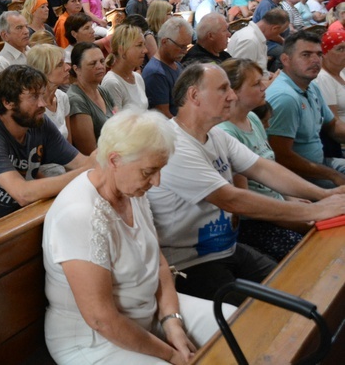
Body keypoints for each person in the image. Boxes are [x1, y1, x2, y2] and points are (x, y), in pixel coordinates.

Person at [147, 63, 345, 306]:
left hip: (227, 248)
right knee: (271, 313)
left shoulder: (216, 134)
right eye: (223, 89)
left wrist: (324, 194)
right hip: (191, 263)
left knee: (298, 288)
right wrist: (315, 210)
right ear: (194, 96)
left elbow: (262, 168)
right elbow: (231, 198)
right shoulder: (174, 145)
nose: (232, 96)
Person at [43, 109, 230, 365]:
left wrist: (172, 322)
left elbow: (159, 264)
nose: (157, 181)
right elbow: (101, 319)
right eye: (148, 171)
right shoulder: (79, 215)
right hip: (95, 340)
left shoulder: (132, 190)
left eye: (160, 170)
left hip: (149, 311)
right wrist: (171, 354)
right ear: (115, 160)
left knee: (239, 326)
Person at [0, 64, 91, 230]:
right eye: (33, 97)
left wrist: (98, 162)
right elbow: (23, 194)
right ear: (7, 102)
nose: (43, 103)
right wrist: (88, 171)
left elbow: (81, 163)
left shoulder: (39, 123)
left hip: (21, 222)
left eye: (42, 95)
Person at [217, 58, 307, 261]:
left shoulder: (254, 119)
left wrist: (291, 198)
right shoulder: (226, 133)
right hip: (257, 221)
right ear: (235, 92)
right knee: (310, 251)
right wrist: (293, 213)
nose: (264, 86)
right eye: (256, 84)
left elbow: (271, 168)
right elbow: (245, 200)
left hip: (278, 207)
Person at [266, 30, 345, 188]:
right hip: (298, 178)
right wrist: (332, 174)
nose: (315, 60)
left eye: (319, 54)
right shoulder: (286, 97)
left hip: (320, 164)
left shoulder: (311, 87)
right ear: (285, 60)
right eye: (306, 55)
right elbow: (281, 157)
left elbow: (332, 126)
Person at [26, 45, 72, 176]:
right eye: (59, 64)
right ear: (43, 72)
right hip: (41, 176)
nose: (67, 67)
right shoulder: (32, 108)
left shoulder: (62, 97)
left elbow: (69, 146)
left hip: (64, 171)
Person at [68, 42, 116, 155]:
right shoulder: (76, 100)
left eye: (102, 61)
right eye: (92, 63)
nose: (100, 66)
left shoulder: (102, 90)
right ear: (76, 69)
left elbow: (120, 124)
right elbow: (89, 151)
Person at [143, 17, 193, 118]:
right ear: (164, 42)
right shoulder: (156, 73)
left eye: (186, 47)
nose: (185, 51)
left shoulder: (176, 64)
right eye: (181, 47)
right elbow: (163, 116)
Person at [227, 8, 289, 77]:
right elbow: (242, 77)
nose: (278, 35)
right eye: (279, 32)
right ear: (275, 28)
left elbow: (260, 71)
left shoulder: (255, 37)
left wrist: (272, 76)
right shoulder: (250, 40)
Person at [101, 24, 149, 110]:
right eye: (139, 45)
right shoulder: (112, 83)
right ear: (122, 50)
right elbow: (116, 122)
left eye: (144, 45)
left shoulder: (137, 77)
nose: (145, 50)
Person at [0, 11, 30, 85]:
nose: (26, 31)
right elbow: (3, 95)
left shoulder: (31, 52)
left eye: (26, 26)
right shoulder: (2, 64)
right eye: (19, 28)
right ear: (5, 35)